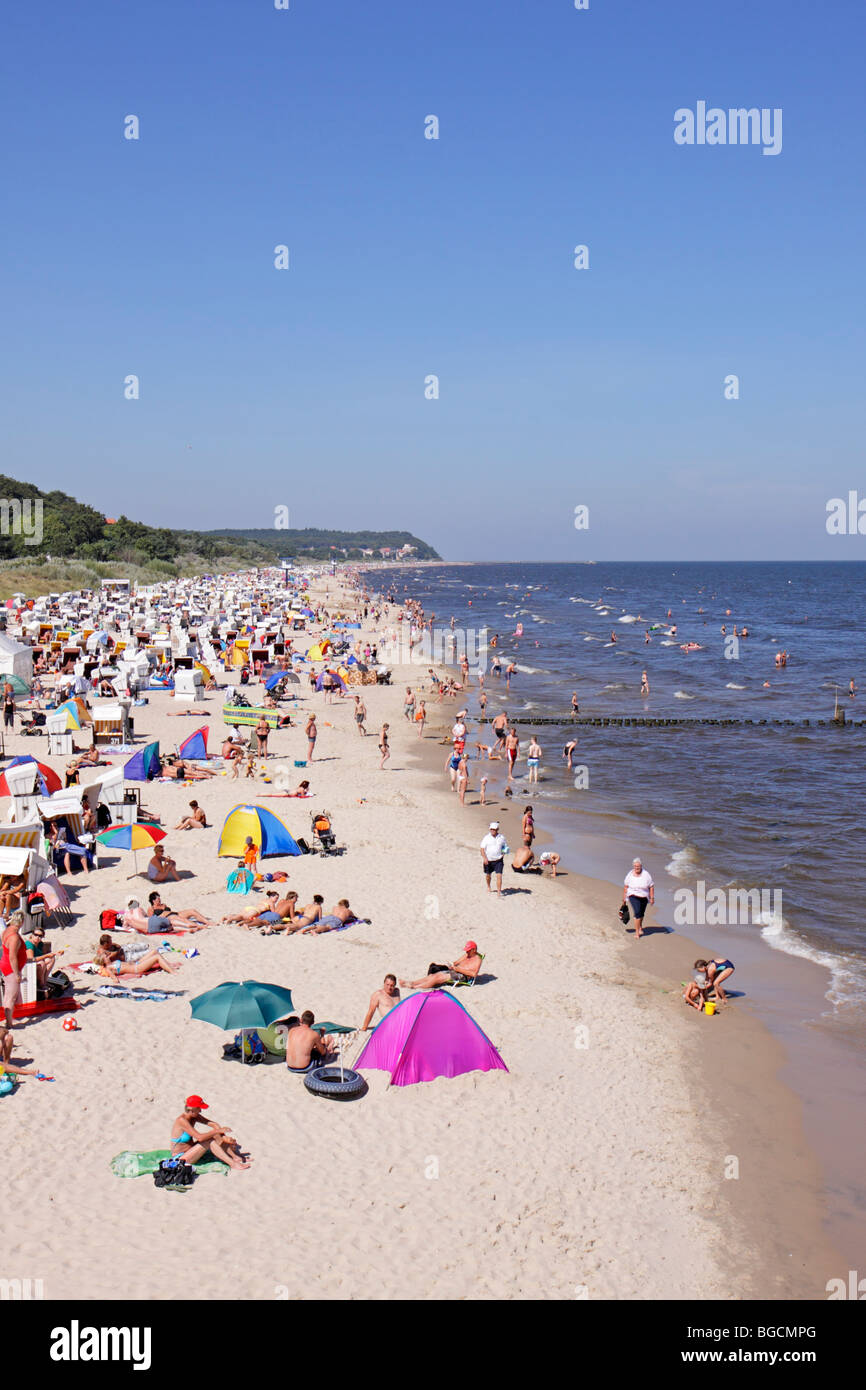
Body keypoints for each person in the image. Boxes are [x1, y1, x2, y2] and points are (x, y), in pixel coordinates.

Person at [170, 1096, 252, 1170]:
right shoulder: (182, 1121)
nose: (200, 1111)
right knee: (210, 1140)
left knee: (215, 1135)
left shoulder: (194, 1116)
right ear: (192, 1110)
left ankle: (234, 1157)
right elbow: (199, 1137)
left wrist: (223, 1136)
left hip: (190, 1151)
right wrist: (218, 1131)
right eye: (199, 1109)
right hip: (181, 1158)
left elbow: (214, 1124)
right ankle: (233, 1164)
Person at [399, 942, 482, 991]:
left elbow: (474, 974)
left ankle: (414, 987)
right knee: (433, 975)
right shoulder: (466, 955)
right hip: (456, 971)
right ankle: (412, 982)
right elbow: (456, 962)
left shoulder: (477, 959)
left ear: (474, 950)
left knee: (438, 978)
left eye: (468, 950)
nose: (466, 952)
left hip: (463, 976)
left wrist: (458, 969)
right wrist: (452, 965)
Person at [95, 934, 179, 977]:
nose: (107, 957)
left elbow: (117, 947)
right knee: (156, 957)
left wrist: (117, 949)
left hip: (135, 962)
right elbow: (113, 977)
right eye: (106, 957)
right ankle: (172, 971)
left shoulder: (111, 962)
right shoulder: (109, 967)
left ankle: (169, 965)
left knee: (153, 951)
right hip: (135, 966)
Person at [1, 911, 27, 1027]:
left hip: (5, 964)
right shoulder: (14, 937)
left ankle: (10, 1018)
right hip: (10, 967)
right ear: (21, 922)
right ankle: (9, 1023)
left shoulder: (7, 930)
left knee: (10, 994)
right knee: (10, 996)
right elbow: (13, 957)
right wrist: (17, 974)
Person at [623, 857, 654, 941]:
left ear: (641, 866)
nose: (637, 868)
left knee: (641, 913)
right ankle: (637, 932)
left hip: (644, 896)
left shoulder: (646, 874)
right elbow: (626, 887)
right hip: (633, 895)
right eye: (635, 866)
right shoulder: (630, 875)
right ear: (633, 866)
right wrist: (624, 899)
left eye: (638, 866)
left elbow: (651, 886)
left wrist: (652, 897)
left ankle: (640, 926)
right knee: (637, 913)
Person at [480, 821, 508, 896]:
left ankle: (499, 892)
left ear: (497, 829)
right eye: (491, 829)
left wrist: (503, 854)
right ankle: (488, 886)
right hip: (488, 860)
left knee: (499, 876)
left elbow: (505, 847)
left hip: (498, 860)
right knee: (488, 875)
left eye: (494, 829)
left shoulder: (502, 837)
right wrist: (485, 858)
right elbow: (482, 849)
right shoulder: (486, 838)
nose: (492, 830)